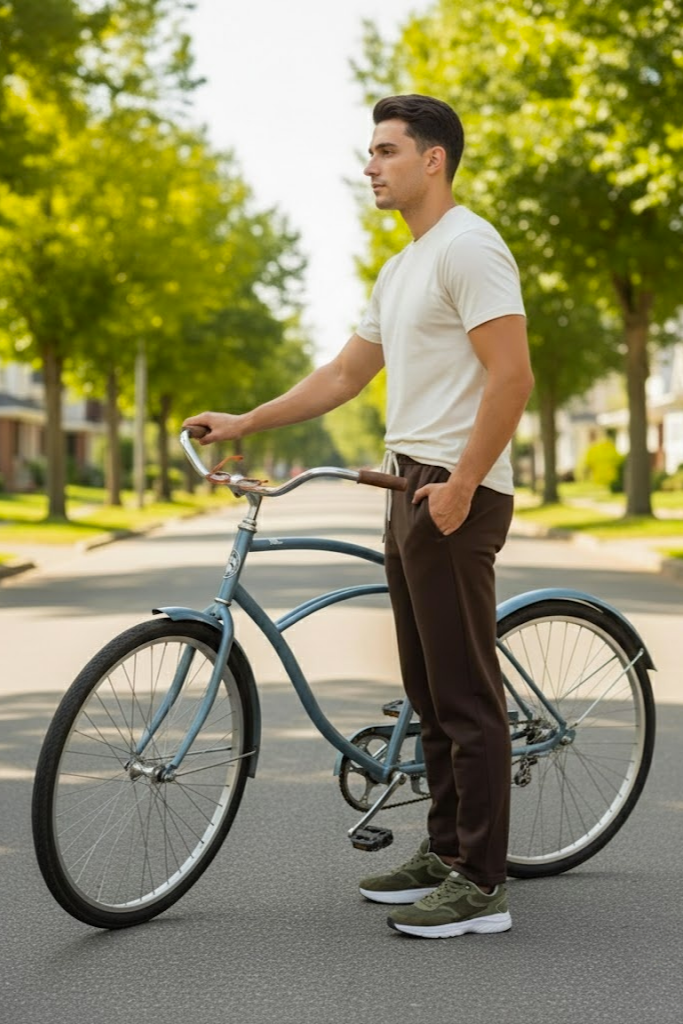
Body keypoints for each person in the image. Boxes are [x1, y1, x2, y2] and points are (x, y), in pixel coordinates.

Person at [183, 94, 534, 940]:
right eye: (368, 152)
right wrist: (245, 421)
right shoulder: (403, 266)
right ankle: (444, 851)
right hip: (405, 485)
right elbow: (342, 377)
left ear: (433, 160)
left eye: (384, 150)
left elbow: (511, 375)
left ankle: (480, 886)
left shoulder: (469, 246)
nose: (368, 165)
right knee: (424, 686)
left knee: (463, 694)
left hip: (455, 490)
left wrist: (460, 483)